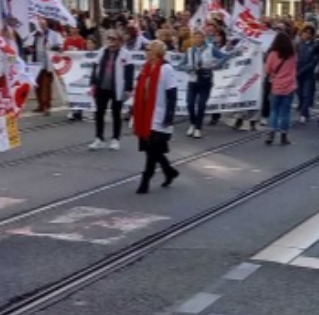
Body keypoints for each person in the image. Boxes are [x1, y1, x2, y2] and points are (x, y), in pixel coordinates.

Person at [132, 40, 179, 194]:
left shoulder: (166, 69)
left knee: (152, 148)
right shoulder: (145, 68)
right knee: (152, 149)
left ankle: (146, 180)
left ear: (156, 52)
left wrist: (169, 116)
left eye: (148, 49)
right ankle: (169, 171)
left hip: (158, 114)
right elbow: (139, 90)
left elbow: (172, 95)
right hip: (145, 113)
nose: (146, 52)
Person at [89, 30, 132, 151]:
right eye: (109, 39)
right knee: (99, 113)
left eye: (114, 39)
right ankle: (99, 138)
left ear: (120, 41)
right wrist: (92, 83)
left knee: (116, 113)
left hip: (117, 87)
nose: (111, 41)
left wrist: (128, 89)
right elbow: (95, 67)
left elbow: (129, 72)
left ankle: (115, 139)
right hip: (102, 86)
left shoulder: (125, 54)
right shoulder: (103, 51)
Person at [183, 29, 225, 139]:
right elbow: (180, 64)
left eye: (200, 37)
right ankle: (192, 123)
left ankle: (198, 127)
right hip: (193, 80)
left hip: (205, 80)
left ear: (203, 38)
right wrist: (187, 68)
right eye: (195, 37)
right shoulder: (189, 50)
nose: (198, 39)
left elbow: (223, 56)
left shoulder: (211, 48)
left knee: (201, 104)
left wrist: (216, 65)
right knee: (190, 103)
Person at [264, 33, 298, 146]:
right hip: (289, 86)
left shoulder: (273, 54)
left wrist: (273, 75)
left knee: (274, 111)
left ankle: (271, 133)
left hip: (276, 85)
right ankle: (284, 135)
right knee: (285, 112)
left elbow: (267, 70)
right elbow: (294, 69)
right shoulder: (292, 55)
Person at [29, 19, 64, 115]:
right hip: (36, 64)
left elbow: (60, 46)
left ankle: (46, 106)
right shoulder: (35, 35)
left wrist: (53, 48)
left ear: (46, 25)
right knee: (38, 86)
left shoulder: (53, 34)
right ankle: (40, 105)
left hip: (47, 64)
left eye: (43, 25)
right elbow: (28, 45)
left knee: (46, 86)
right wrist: (29, 48)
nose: (41, 27)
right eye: (39, 25)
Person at [294, 25, 319, 124]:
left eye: (309, 33)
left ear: (312, 35)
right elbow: (295, 57)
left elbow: (313, 62)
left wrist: (302, 70)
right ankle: (304, 110)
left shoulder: (314, 46)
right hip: (298, 73)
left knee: (306, 94)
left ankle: (304, 114)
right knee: (299, 93)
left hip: (308, 74)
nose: (306, 34)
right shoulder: (299, 44)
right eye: (305, 32)